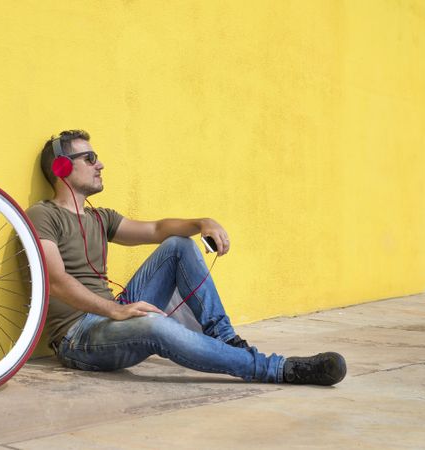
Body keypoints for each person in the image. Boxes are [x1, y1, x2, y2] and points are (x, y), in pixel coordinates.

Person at [26, 130, 346, 385]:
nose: (101, 165)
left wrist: (200, 223)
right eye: (91, 158)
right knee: (155, 326)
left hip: (112, 315)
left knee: (179, 244)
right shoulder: (43, 215)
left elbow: (155, 229)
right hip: (79, 336)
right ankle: (278, 369)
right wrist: (115, 310)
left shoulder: (101, 217)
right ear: (62, 167)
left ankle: (227, 341)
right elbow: (56, 281)